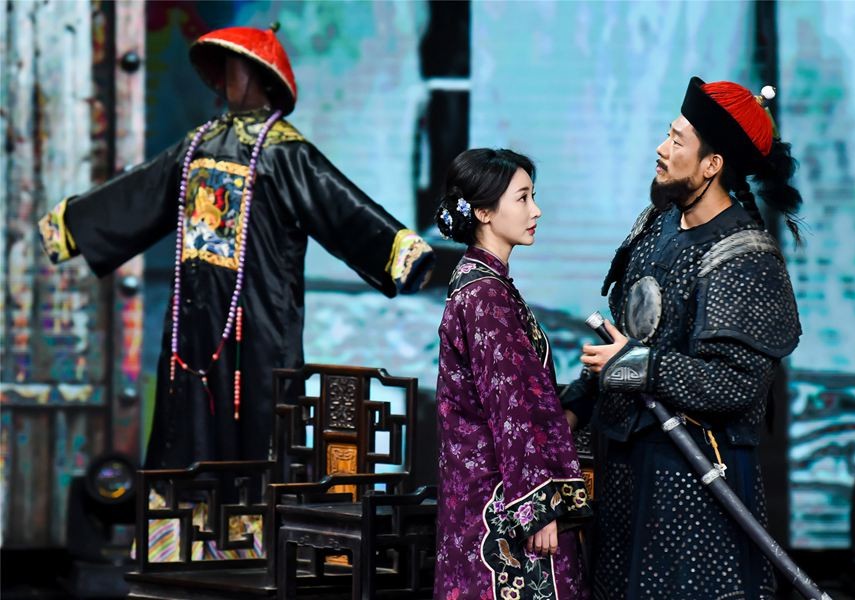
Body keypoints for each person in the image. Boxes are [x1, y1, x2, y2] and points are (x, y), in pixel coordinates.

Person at [37, 25, 434, 470]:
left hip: (258, 317)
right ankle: (185, 513)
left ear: (260, 75)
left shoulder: (284, 153)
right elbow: (140, 192)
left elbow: (338, 204)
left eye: (237, 68)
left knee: (260, 418)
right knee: (186, 418)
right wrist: (71, 226)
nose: (228, 77)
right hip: (194, 318)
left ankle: (255, 513)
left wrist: (400, 253)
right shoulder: (197, 146)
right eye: (224, 67)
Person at [562, 77, 803, 599]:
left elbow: (737, 383)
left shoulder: (745, 255)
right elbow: (621, 337)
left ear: (712, 164)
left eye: (676, 140)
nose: (661, 148)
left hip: (693, 477)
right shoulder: (656, 224)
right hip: (624, 470)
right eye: (667, 134)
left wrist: (637, 366)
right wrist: (574, 406)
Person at [434, 149, 592, 600]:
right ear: (484, 212)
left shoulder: (480, 281)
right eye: (522, 198)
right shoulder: (486, 294)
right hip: (503, 500)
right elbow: (511, 410)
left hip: (488, 489)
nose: (535, 210)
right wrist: (537, 508)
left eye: (533, 196)